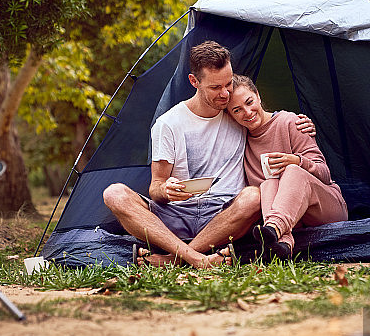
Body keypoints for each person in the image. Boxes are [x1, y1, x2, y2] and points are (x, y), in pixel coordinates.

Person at [102, 41, 313, 268]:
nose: (225, 94)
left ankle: (174, 259)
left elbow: (266, 119)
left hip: (224, 214)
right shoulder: (168, 124)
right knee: (114, 193)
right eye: (215, 88)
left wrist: (299, 122)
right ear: (194, 82)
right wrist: (166, 189)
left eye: (228, 83)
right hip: (176, 213)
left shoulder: (237, 114)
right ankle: (197, 258)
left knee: (254, 195)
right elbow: (156, 188)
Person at [228, 74, 348, 260]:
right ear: (231, 116)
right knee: (267, 184)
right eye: (237, 110)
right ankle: (282, 245)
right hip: (294, 222)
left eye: (249, 102)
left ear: (258, 95)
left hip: (326, 208)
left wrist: (298, 161)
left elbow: (324, 174)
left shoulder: (290, 122)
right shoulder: (239, 141)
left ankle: (274, 229)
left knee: (292, 171)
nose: (247, 112)